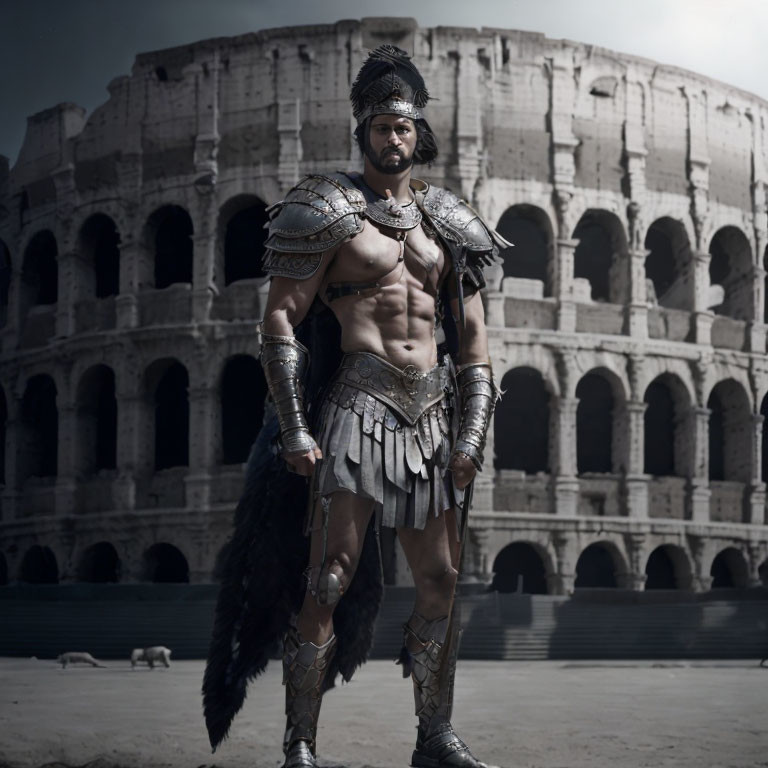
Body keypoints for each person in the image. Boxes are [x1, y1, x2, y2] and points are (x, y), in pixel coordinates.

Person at [203, 45, 508, 768]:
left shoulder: (448, 225)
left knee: (440, 578)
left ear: (418, 130)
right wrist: (296, 428)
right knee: (328, 577)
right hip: (357, 408)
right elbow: (280, 320)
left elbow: (473, 342)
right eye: (379, 125)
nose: (391, 138)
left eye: (402, 126)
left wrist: (471, 436)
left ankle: (434, 735)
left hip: (432, 418)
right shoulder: (325, 210)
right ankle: (300, 743)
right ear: (362, 131)